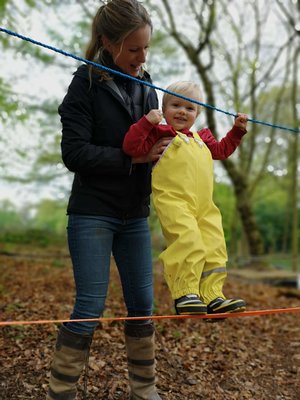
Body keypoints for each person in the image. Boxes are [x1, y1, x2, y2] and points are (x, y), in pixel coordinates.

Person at [46, 1, 171, 399]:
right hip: (92, 212)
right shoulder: (83, 85)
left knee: (143, 305)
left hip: (135, 213)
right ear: (107, 42)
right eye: (134, 49)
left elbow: (151, 146)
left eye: (146, 48)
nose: (141, 57)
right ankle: (61, 390)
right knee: (89, 306)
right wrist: (130, 156)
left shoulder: (147, 84)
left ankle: (144, 388)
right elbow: (75, 154)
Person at [123, 80, 248, 316]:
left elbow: (222, 151)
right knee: (188, 242)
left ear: (197, 113)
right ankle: (185, 293)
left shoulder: (202, 138)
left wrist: (237, 131)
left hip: (204, 206)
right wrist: (146, 122)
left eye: (190, 108)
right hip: (175, 202)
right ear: (164, 108)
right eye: (175, 105)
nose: (182, 111)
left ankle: (213, 296)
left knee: (214, 246)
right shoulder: (160, 133)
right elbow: (132, 147)